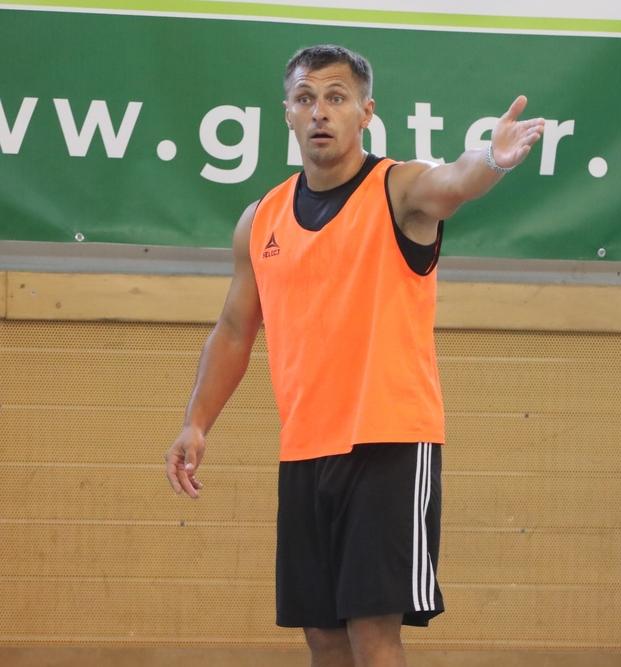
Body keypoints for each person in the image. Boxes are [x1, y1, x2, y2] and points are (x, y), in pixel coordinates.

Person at [163, 44, 543, 667]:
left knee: (373, 633)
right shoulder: (261, 219)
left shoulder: (400, 189)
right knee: (323, 636)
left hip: (388, 443)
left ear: (366, 112)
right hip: (304, 448)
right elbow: (233, 330)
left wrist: (491, 161)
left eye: (336, 98)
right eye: (305, 98)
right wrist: (196, 422)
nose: (320, 111)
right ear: (287, 112)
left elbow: (455, 179)